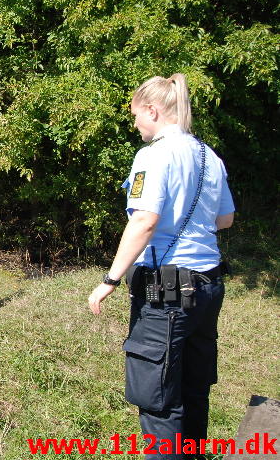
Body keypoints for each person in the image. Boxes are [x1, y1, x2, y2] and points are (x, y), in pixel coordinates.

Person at [87, 74, 235, 459]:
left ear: (152, 110)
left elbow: (144, 221)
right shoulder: (209, 156)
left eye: (136, 114)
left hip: (167, 287)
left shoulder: (153, 155)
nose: (134, 123)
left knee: (158, 400)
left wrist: (110, 280)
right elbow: (225, 220)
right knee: (193, 386)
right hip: (208, 283)